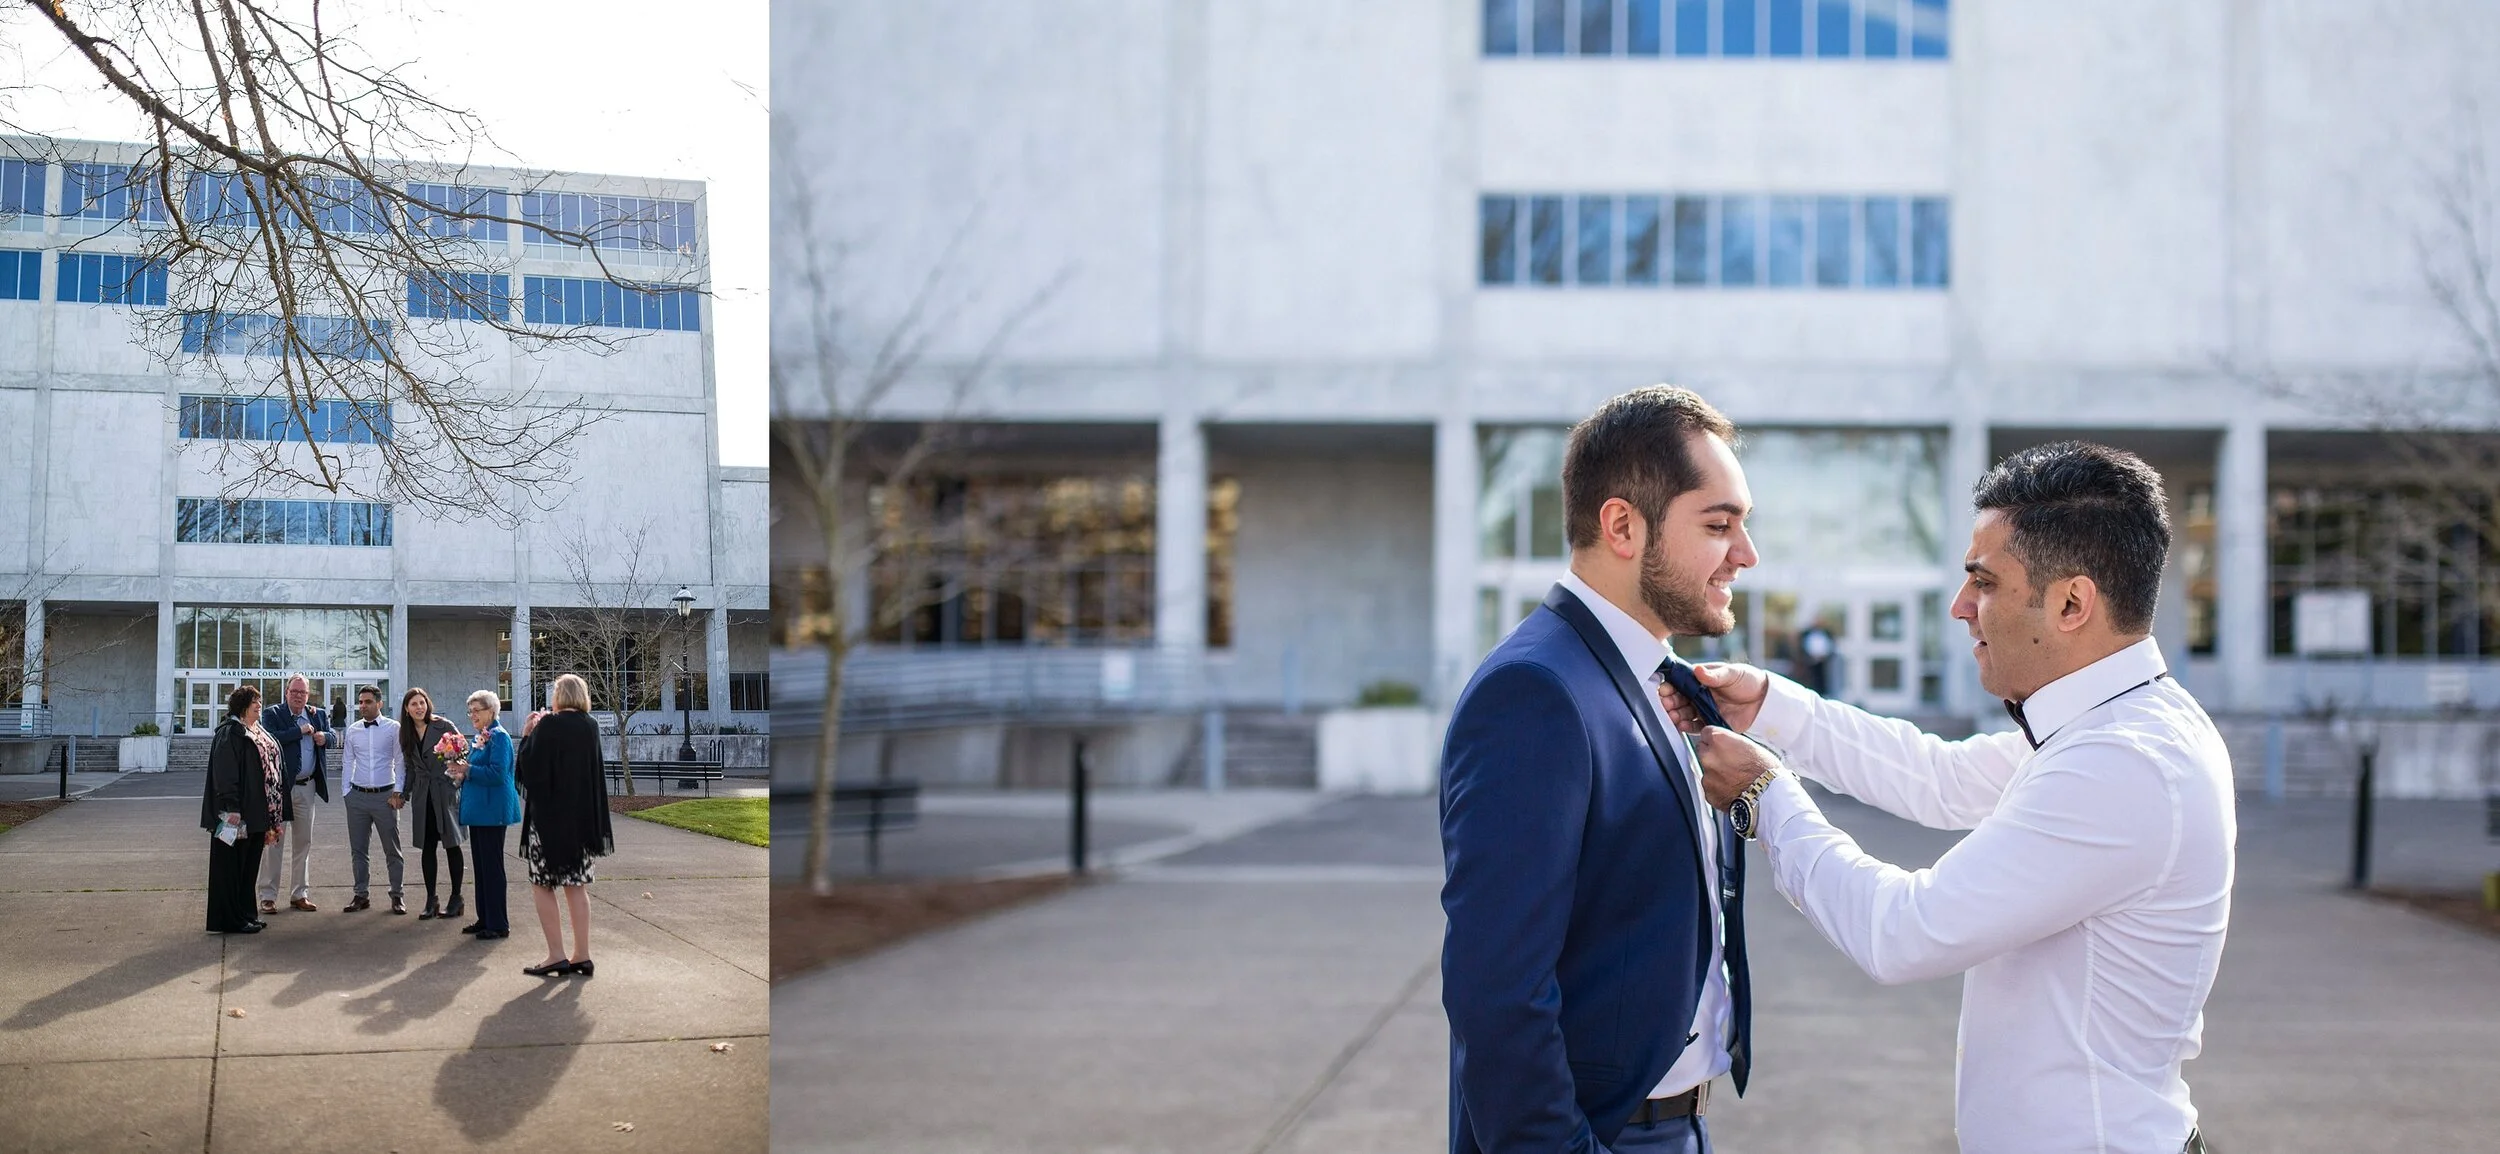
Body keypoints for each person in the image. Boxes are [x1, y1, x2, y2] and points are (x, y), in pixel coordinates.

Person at [1666, 442, 2232, 1154]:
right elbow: (1941, 777)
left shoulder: (2125, 763)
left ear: (2070, 602)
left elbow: (1903, 932)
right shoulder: (2117, 722)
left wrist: (1765, 796)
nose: (1962, 608)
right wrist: (1773, 709)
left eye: (1985, 583)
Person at [1440, 386, 1759, 1154]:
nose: (1745, 556)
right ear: (1622, 525)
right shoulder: (1537, 691)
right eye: (1719, 526)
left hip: (1678, 1126)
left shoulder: (1657, 678)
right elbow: (1498, 992)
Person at [516, 673, 613, 978]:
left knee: (542, 885)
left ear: (559, 695)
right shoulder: (590, 725)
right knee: (577, 886)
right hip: (582, 823)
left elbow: (530, 770)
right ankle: (582, 955)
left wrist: (528, 733)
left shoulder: (549, 725)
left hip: (549, 823)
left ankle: (556, 955)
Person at [202, 686, 286, 934]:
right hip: (235, 815)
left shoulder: (256, 730)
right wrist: (232, 807)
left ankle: (247, 914)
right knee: (231, 868)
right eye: (254, 701)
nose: (259, 705)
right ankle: (231, 919)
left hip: (257, 813)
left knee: (249, 868)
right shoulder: (231, 732)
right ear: (242, 705)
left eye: (260, 701)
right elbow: (225, 774)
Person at [257, 674, 331, 914]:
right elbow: (270, 738)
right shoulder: (273, 713)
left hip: (307, 786)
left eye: (303, 692)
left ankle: (299, 894)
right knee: (273, 841)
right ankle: (268, 896)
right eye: (295, 691)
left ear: (308, 694)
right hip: (279, 789)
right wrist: (299, 731)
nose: (299, 695)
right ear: (286, 692)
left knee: (303, 843)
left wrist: (324, 737)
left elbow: (331, 737)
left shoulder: (317, 714)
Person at [454, 689, 521, 940]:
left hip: (493, 811)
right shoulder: (482, 736)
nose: (472, 715)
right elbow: (475, 770)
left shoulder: (499, 737)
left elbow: (497, 773)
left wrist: (468, 769)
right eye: (470, 711)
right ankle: (484, 919)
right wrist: (459, 772)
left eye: (477, 710)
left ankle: (498, 923)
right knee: (481, 869)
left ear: (491, 711)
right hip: (479, 811)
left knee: (492, 868)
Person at [337, 684, 408, 915]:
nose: (363, 706)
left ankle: (397, 896)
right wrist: (346, 792)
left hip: (385, 797)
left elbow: (400, 760)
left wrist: (398, 791)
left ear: (379, 703)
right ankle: (361, 895)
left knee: (392, 850)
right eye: (360, 702)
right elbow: (347, 761)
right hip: (357, 797)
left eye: (368, 701)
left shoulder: (393, 728)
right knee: (358, 850)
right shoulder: (354, 730)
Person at [398, 688, 465, 922]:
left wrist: (453, 780)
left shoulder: (443, 726)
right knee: (427, 847)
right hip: (422, 794)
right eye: (414, 704)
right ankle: (431, 899)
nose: (419, 707)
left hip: (444, 791)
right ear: (407, 709)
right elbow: (409, 768)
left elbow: (463, 752)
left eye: (422, 702)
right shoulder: (406, 733)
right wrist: (403, 794)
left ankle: (456, 898)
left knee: (451, 844)